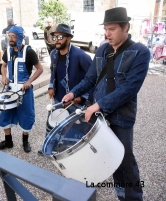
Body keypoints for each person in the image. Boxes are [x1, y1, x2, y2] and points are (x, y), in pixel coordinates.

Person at [62, 7, 150, 200]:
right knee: (101, 156)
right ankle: (117, 192)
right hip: (97, 113)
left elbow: (130, 89)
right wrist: (73, 92)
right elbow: (91, 78)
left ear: (126, 27)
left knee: (124, 160)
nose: (107, 33)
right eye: (105, 29)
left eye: (112, 29)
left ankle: (133, 197)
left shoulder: (141, 52)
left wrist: (98, 104)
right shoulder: (102, 48)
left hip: (121, 117)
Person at [37, 24, 92, 155]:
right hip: (59, 97)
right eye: (54, 37)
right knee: (52, 122)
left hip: (76, 100)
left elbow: (93, 78)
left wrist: (82, 96)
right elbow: (53, 72)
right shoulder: (54, 54)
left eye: (60, 36)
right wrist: (51, 85)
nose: (56, 39)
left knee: (72, 127)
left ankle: (72, 150)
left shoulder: (80, 55)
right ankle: (48, 146)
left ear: (69, 38)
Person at [0, 26, 43, 153]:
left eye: (13, 36)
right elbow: (3, 66)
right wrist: (4, 76)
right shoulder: (8, 51)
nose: (10, 39)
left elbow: (40, 69)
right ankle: (8, 141)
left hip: (24, 90)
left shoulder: (29, 52)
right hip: (10, 89)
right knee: (5, 113)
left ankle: (25, 141)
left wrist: (29, 81)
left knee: (26, 115)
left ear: (20, 37)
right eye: (9, 36)